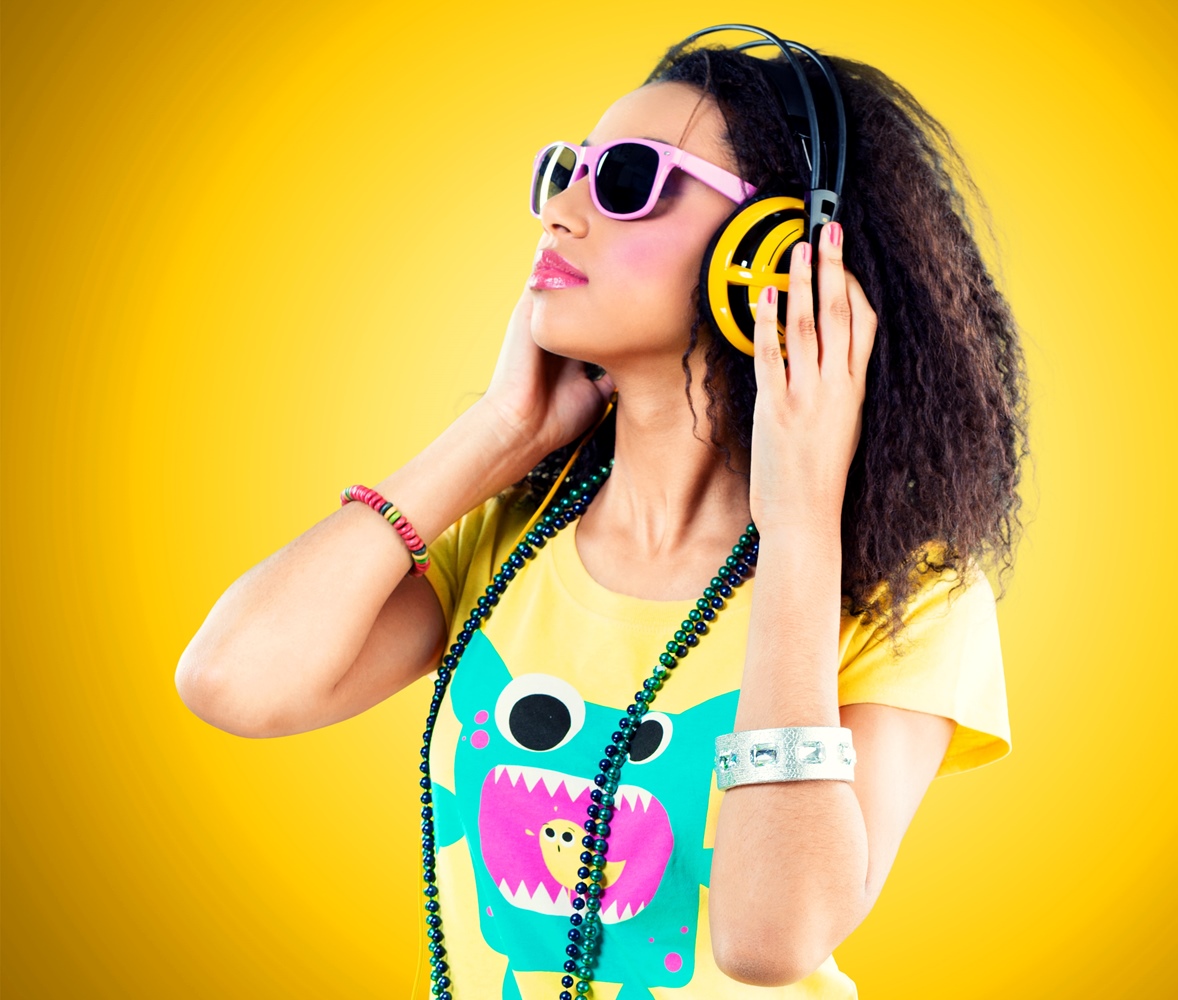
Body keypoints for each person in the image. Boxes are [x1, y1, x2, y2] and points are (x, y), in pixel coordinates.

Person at [177, 26, 1029, 1000]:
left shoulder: (910, 593)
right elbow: (230, 682)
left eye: (627, 179)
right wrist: (496, 433)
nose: (561, 212)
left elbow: (770, 938)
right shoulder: (510, 532)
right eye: (566, 172)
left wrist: (800, 529)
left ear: (771, 255)